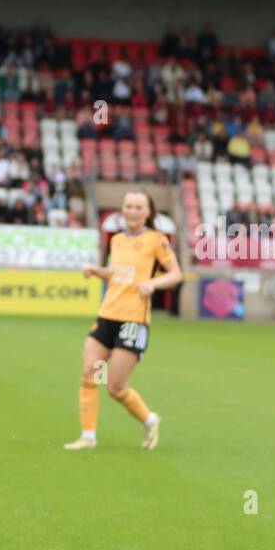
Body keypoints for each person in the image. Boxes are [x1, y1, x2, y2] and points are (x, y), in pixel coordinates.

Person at [65, 191, 182, 452]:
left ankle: (149, 419)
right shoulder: (116, 240)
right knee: (89, 375)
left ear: (148, 212)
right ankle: (87, 437)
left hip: (133, 321)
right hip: (106, 316)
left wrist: (153, 284)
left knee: (115, 387)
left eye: (138, 207)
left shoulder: (156, 240)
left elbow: (175, 274)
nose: (132, 210)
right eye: (128, 205)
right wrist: (97, 272)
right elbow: (117, 275)